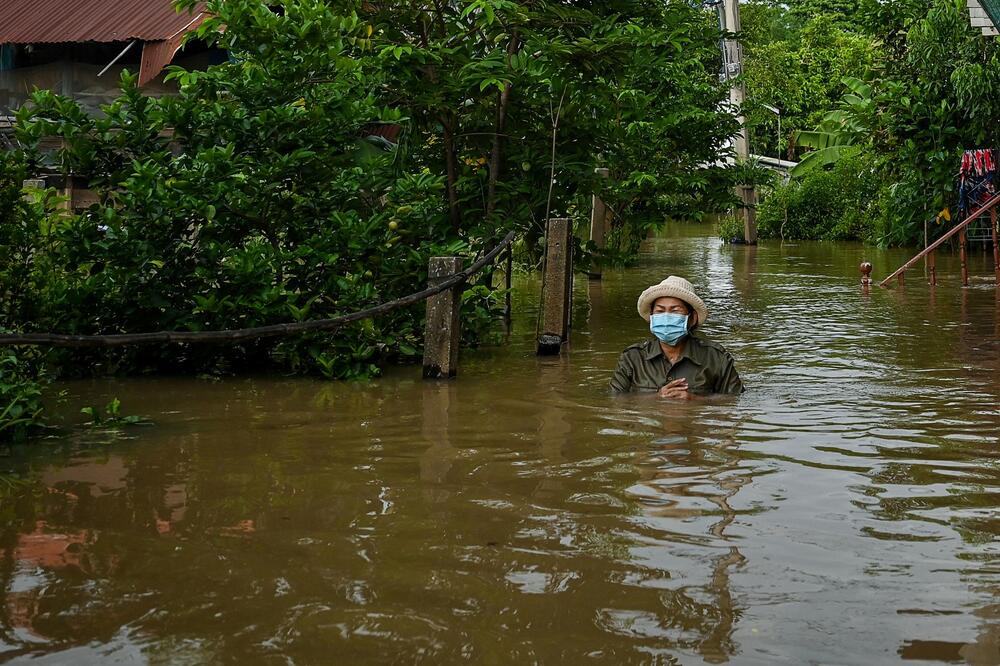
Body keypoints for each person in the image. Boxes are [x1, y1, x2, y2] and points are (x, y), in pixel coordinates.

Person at [610, 276, 743, 398]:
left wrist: (695, 400)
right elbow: (613, 401)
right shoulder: (632, 358)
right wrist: (656, 398)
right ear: (652, 318)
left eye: (675, 311)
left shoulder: (716, 358)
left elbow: (735, 401)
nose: (666, 317)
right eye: (660, 311)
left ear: (692, 318)